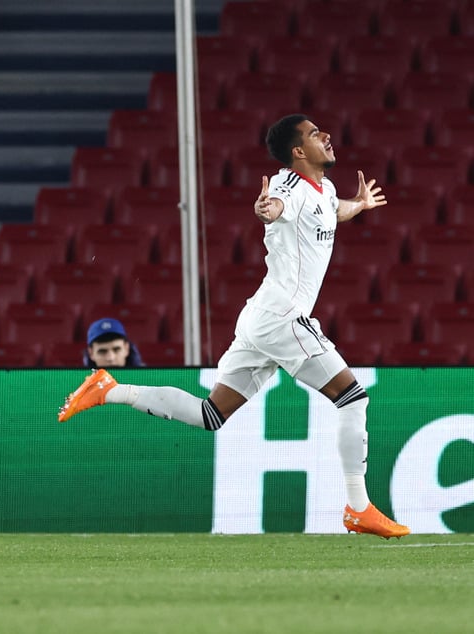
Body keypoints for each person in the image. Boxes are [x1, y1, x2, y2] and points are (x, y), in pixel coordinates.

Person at [58, 114, 410, 539]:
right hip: (283, 318)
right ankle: (359, 508)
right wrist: (266, 209)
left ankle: (110, 389)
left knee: (212, 414)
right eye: (316, 134)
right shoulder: (287, 188)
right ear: (298, 152)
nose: (328, 136)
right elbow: (273, 209)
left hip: (261, 317)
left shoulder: (326, 189)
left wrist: (361, 204)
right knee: (352, 399)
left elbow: (336, 209)